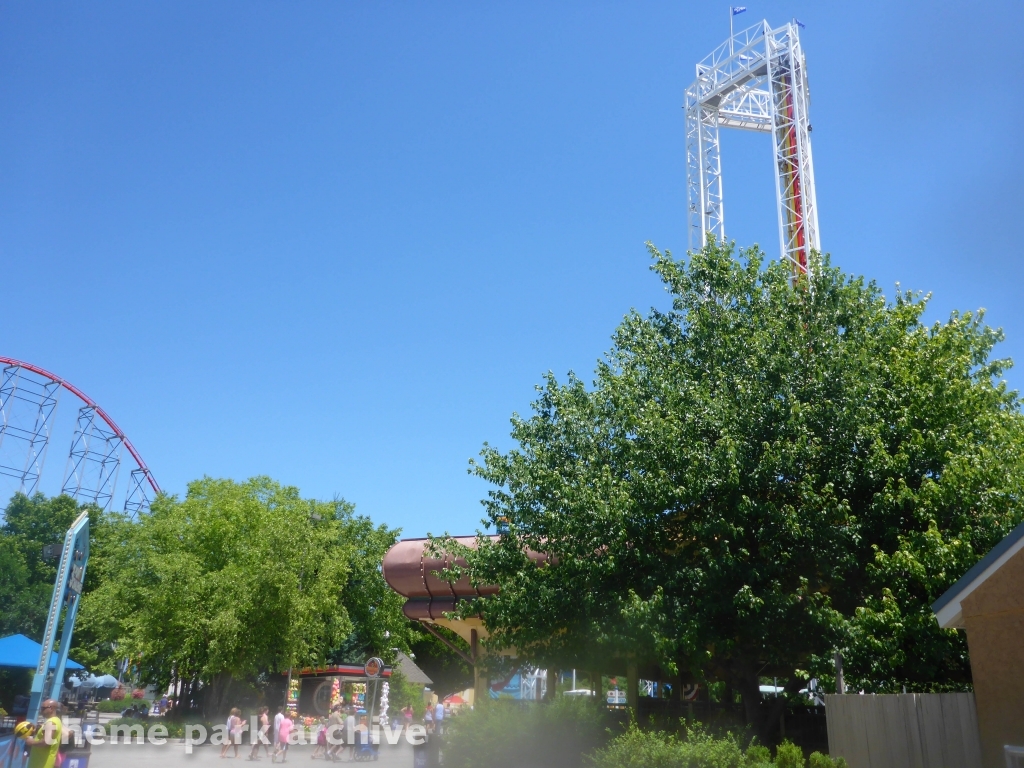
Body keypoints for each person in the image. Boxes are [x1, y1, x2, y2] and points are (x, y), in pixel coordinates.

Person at [23, 699, 62, 768]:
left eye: (43, 708)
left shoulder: (50, 723)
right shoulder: (56, 720)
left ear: (51, 708)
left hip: (42, 764)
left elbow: (46, 742)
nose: (41, 710)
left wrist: (31, 742)